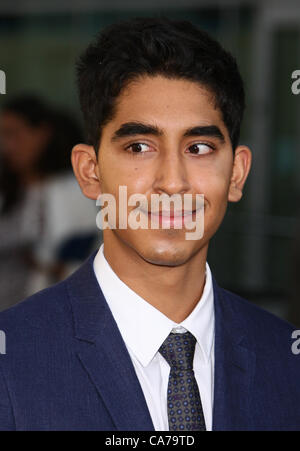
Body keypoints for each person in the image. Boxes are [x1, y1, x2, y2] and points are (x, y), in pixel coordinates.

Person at [0, 17, 299, 432]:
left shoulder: (286, 360)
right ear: (90, 172)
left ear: (236, 174)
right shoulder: (12, 363)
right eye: (139, 147)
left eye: (199, 147)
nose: (172, 182)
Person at [0, 96, 98, 310]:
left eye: (13, 134)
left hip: (47, 311)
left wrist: (45, 264)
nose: (7, 145)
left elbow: (81, 257)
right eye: (3, 136)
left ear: (42, 134)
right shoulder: (9, 192)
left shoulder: (70, 191)